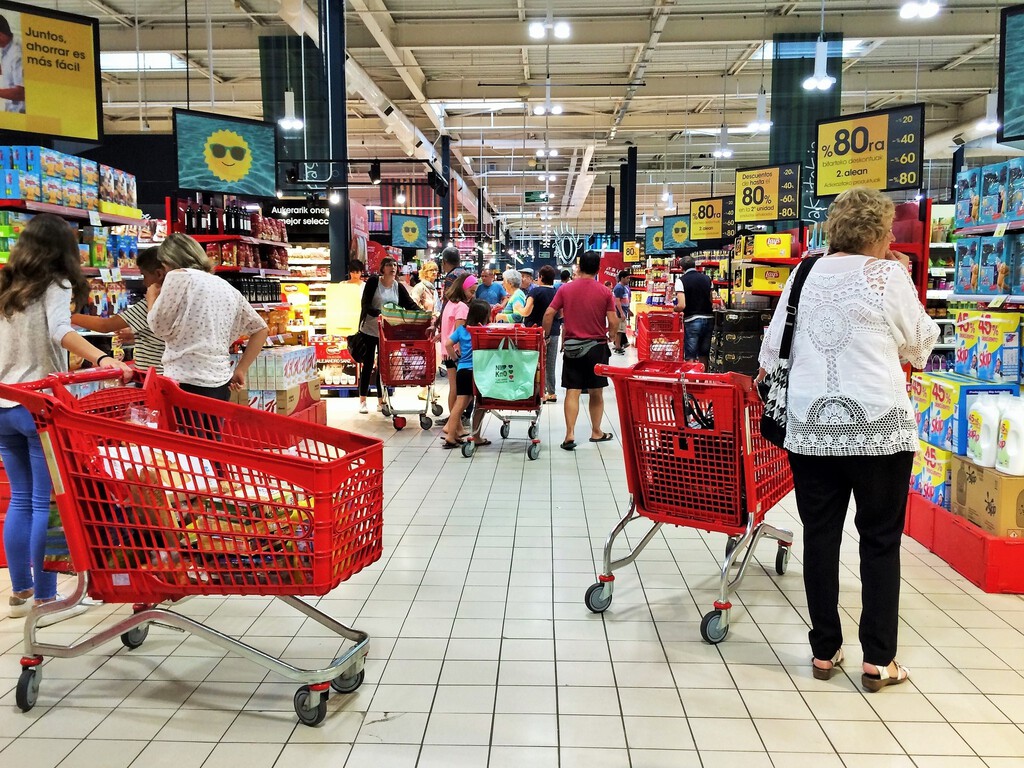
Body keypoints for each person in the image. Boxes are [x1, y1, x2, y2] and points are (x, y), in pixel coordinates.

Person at [757, 186, 939, 693]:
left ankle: (824, 649)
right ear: (880, 233)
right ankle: (878, 660)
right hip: (880, 429)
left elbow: (771, 351)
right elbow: (921, 346)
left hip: (811, 428)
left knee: (821, 537)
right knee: (879, 541)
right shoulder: (888, 275)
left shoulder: (803, 273)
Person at [0, 214, 131, 619]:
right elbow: (61, 330)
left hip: (3, 404)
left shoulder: (6, 286)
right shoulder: (54, 284)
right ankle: (46, 596)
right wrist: (103, 359)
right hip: (38, 405)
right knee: (47, 502)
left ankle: (20, 592)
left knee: (20, 499)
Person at [147, 233, 270, 401]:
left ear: (169, 261)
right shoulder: (226, 287)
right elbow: (261, 329)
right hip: (221, 384)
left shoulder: (178, 276)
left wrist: (152, 297)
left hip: (184, 383)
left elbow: (158, 326)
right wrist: (241, 369)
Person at [543, 251, 618, 450]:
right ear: (598, 269)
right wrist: (611, 336)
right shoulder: (605, 291)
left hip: (572, 347)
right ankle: (596, 431)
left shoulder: (565, 289)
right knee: (596, 392)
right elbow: (613, 320)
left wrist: (546, 335)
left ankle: (569, 434)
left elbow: (549, 313)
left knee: (572, 391)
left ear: (579, 267)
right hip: (596, 347)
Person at [71, 247, 167, 374]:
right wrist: (138, 336)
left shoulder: (151, 304)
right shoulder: (176, 300)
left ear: (159, 274)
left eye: (144, 276)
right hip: (167, 374)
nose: (143, 282)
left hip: (152, 377)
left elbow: (104, 325)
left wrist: (68, 316)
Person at [355, 256, 421, 414]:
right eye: (389, 265)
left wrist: (422, 313)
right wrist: (379, 313)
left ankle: (381, 400)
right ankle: (363, 400)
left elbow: (409, 303)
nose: (393, 268)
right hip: (369, 328)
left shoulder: (397, 286)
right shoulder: (373, 282)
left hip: (387, 331)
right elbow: (365, 304)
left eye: (395, 265)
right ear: (382, 268)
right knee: (368, 363)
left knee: (383, 366)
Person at [441, 299, 490, 448]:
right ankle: (476, 437)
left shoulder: (462, 330)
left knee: (459, 404)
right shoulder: (483, 330)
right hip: (477, 372)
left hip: (462, 371)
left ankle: (450, 436)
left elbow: (448, 344)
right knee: (480, 404)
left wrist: (456, 359)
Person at [438, 273, 479, 423]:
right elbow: (460, 334)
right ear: (463, 288)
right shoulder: (461, 307)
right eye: (471, 291)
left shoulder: (450, 304)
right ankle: (455, 424)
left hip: (447, 352)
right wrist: (463, 355)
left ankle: (454, 423)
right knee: (461, 393)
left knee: (453, 389)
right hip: (457, 353)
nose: (472, 296)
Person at [523, 265, 559, 402]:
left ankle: (539, 392)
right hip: (554, 331)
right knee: (550, 363)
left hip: (535, 331)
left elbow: (526, 311)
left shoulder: (535, 291)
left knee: (536, 362)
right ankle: (551, 393)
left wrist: (518, 308)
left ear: (541, 277)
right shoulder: (556, 292)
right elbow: (561, 313)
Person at [673, 255, 714, 366]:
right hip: (709, 318)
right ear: (695, 265)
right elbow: (711, 300)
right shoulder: (707, 278)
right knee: (703, 354)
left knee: (690, 355)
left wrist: (675, 309)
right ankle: (703, 376)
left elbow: (681, 305)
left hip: (692, 320)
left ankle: (691, 377)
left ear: (681, 268)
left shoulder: (681, 281)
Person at [410, 260, 440, 402]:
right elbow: (413, 304)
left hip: (432, 327)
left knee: (433, 358)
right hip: (422, 328)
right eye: (431, 270)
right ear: (424, 272)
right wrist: (424, 314)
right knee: (425, 358)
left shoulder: (433, 289)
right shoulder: (419, 287)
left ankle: (429, 388)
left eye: (435, 270)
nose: (434, 272)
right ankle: (424, 388)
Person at [0, 16, 24, 114]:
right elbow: (11, 69)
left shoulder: (17, 55)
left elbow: (21, 93)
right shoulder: (7, 46)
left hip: (21, 116)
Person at [612, 270, 632, 354]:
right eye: (627, 278)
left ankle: (618, 345)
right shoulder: (619, 288)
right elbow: (617, 301)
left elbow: (625, 300)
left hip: (623, 311)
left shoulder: (624, 287)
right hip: (619, 313)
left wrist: (628, 310)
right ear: (622, 278)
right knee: (619, 330)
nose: (628, 280)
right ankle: (618, 347)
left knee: (621, 330)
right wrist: (621, 312)